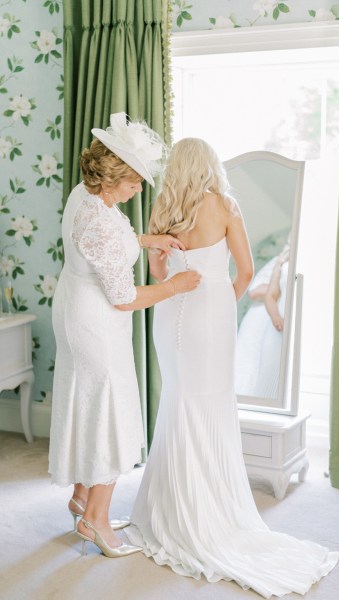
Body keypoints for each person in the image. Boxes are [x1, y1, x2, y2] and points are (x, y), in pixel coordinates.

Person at [125, 138, 338, 597]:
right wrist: (223, 304)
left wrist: (183, 281)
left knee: (178, 399)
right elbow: (245, 270)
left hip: (170, 312)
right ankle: (207, 512)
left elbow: (161, 275)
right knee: (210, 404)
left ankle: (172, 508)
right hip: (211, 315)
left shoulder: (164, 207)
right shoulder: (225, 205)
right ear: (209, 165)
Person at [48, 114, 200, 559]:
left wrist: (149, 239)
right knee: (109, 411)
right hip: (95, 319)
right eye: (135, 182)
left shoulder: (87, 197)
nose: (139, 189)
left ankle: (81, 497)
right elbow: (125, 296)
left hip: (76, 306)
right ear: (115, 177)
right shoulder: (98, 218)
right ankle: (95, 520)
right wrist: (174, 286)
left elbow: (109, 237)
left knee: (89, 401)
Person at [235, 245, 290, 399]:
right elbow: (253, 291)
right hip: (260, 320)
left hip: (278, 318)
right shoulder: (279, 260)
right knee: (250, 362)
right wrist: (283, 288)